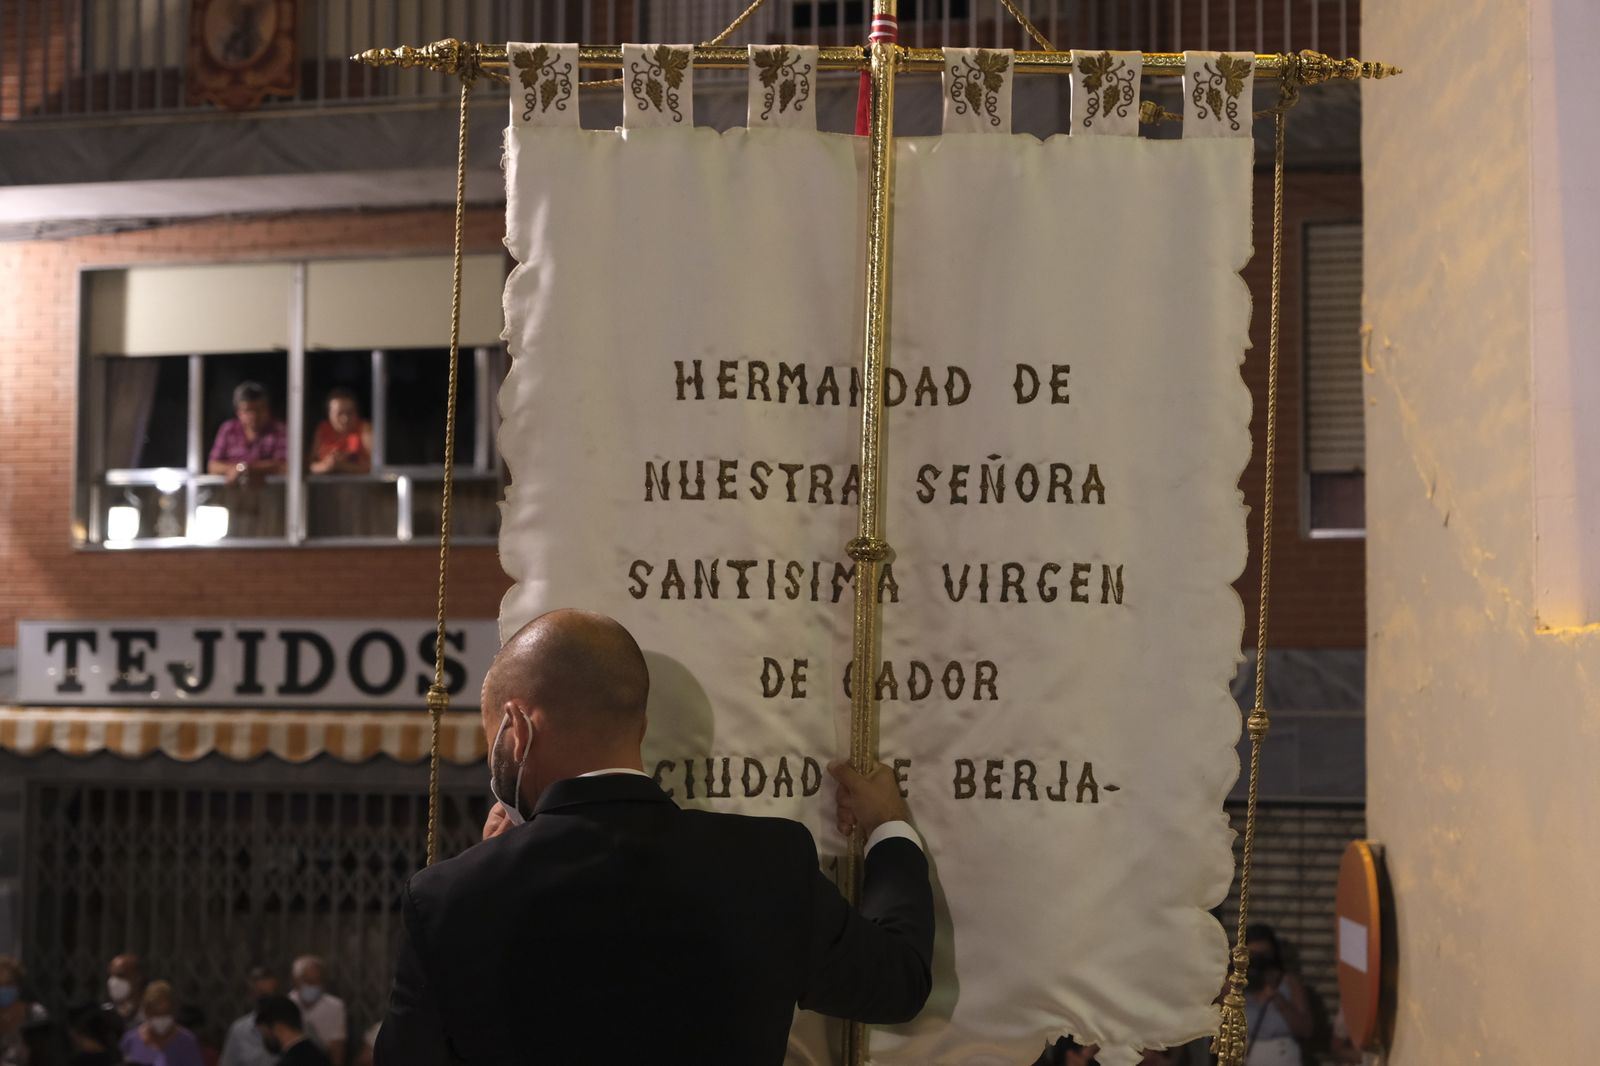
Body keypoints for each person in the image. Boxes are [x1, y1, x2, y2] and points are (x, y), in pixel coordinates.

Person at [375, 609, 934, 1065]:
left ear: (516, 731)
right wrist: (889, 825)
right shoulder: (768, 863)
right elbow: (898, 982)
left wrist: (485, 871)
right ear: (641, 725)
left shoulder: (449, 898)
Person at [1243, 923, 1312, 1066]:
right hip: (1246, 1053)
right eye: (1253, 956)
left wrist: (1278, 998)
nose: (1259, 962)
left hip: (1282, 1054)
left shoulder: (1288, 982)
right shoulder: (1233, 983)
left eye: (1264, 955)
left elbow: (1306, 1029)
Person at [207, 382, 287, 486]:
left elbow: (284, 466)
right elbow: (213, 465)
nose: (254, 415)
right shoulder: (228, 429)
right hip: (233, 495)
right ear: (238, 412)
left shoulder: (280, 430)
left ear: (267, 409)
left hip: (270, 495)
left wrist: (251, 469)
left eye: (259, 409)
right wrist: (237, 469)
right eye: (247, 410)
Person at [119, 983, 203, 1066]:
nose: (161, 1018)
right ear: (146, 1012)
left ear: (173, 1011)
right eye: (156, 1013)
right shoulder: (130, 1040)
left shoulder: (187, 1042)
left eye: (166, 1013)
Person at [286, 961, 342, 1066]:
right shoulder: (287, 1003)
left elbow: (337, 1047)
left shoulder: (334, 1005)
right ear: (296, 981)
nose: (312, 986)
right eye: (308, 981)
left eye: (316, 981)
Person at [219, 969, 279, 1066]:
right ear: (251, 995)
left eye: (267, 995)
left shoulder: (290, 1026)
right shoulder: (239, 1030)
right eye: (259, 994)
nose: (264, 1001)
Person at [309, 388, 372, 475]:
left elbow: (375, 468)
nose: (345, 419)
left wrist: (342, 466)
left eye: (350, 413)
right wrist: (325, 466)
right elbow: (309, 465)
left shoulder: (364, 429)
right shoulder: (323, 429)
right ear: (329, 414)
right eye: (339, 413)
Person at [1, 958, 50, 1066]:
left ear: (18, 986)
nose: (3, 989)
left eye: (9, 984)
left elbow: (46, 1054)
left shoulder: (35, 1013)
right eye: (0, 984)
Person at [252, 999, 329, 1066]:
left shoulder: (288, 1063)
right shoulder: (320, 1055)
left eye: (264, 1033)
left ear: (279, 1027)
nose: (264, 1039)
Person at [103, 957, 145, 1032]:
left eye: (120, 975)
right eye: (111, 975)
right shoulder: (104, 1013)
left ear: (138, 978)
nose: (113, 982)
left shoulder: (150, 1014)